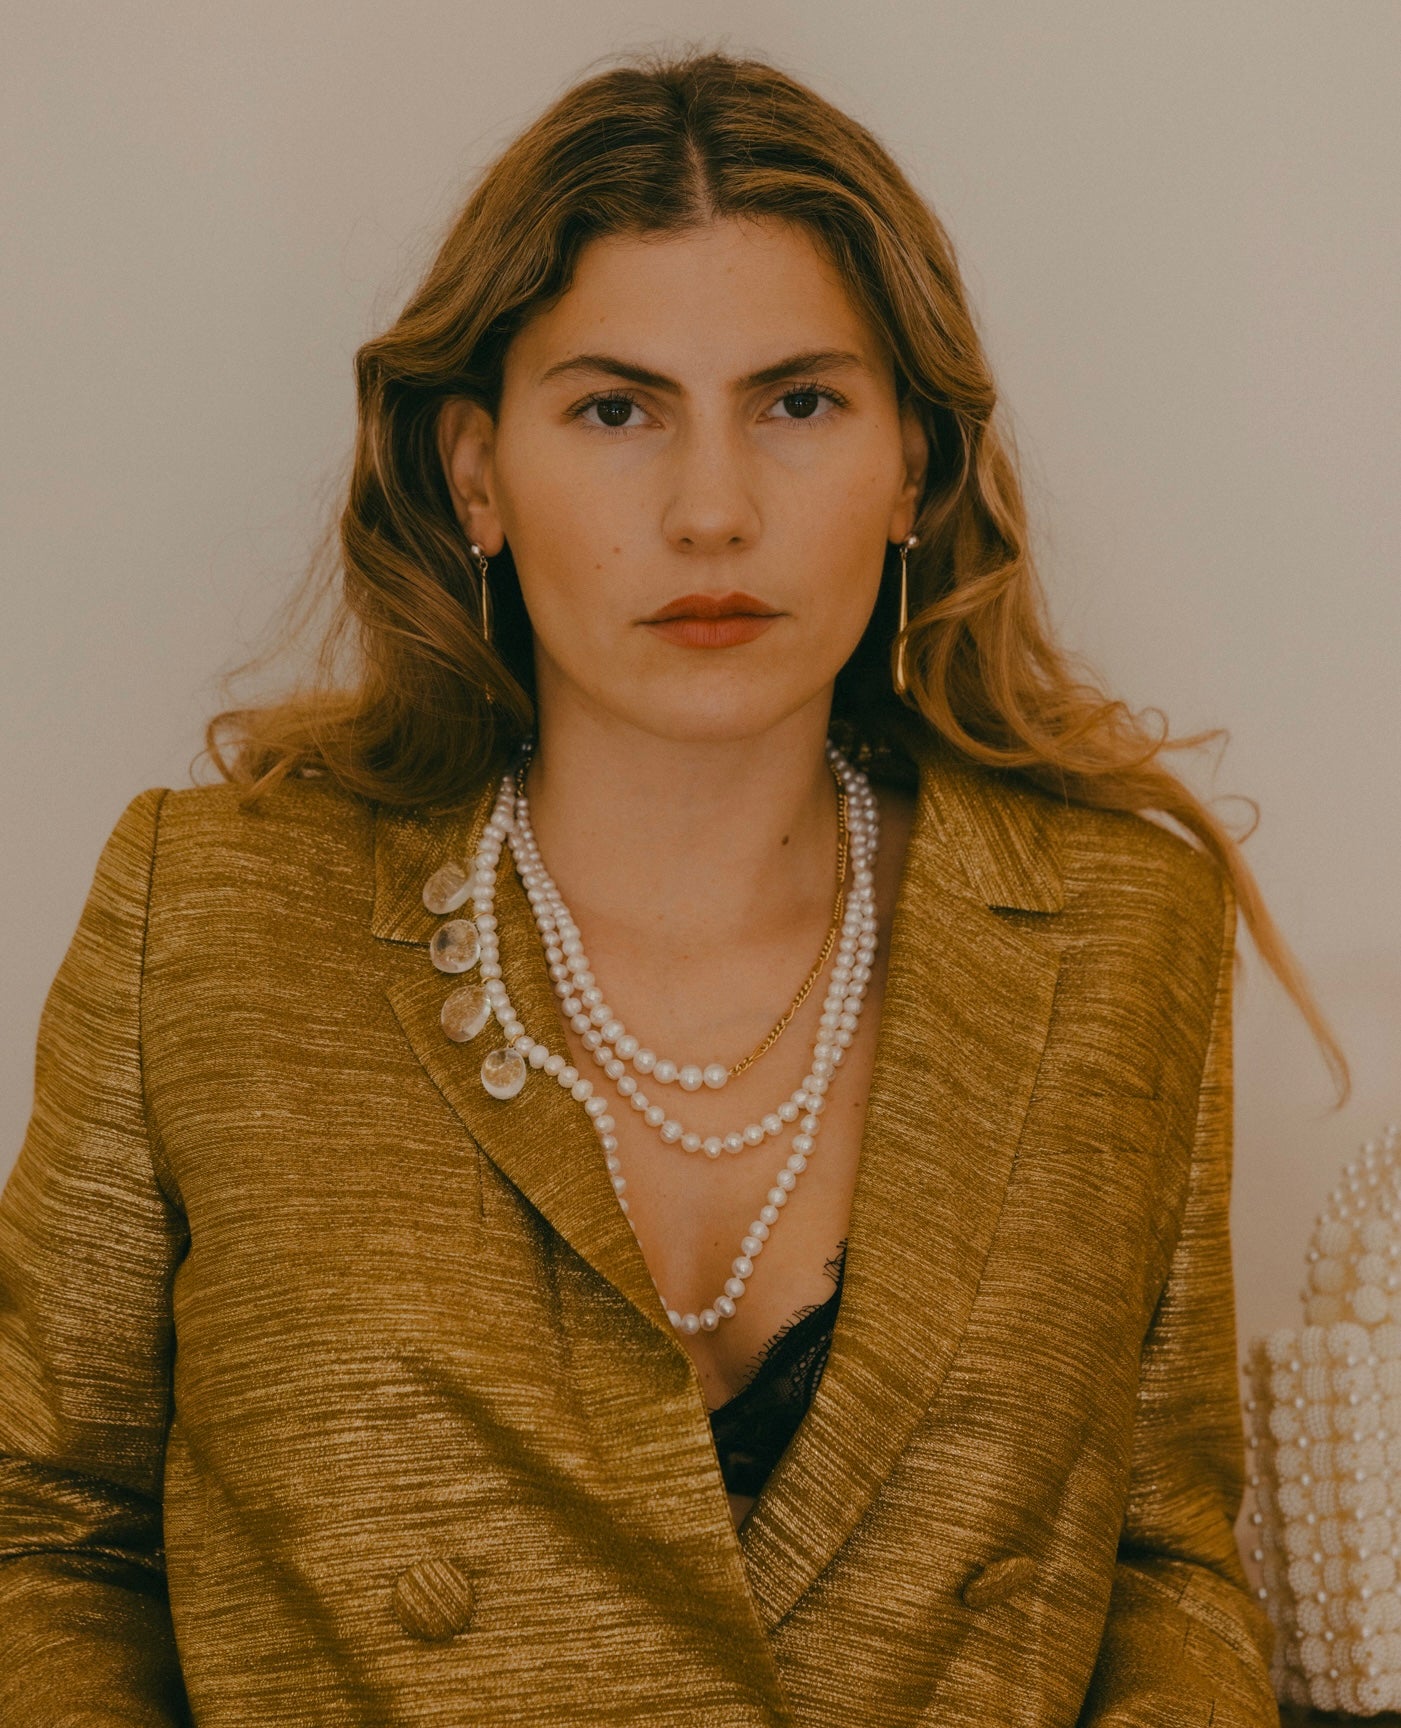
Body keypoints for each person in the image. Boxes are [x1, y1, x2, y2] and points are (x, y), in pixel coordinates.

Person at [0, 46, 1347, 1727]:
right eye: (615, 409)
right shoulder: (206, 914)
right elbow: (47, 1539)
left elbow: (1159, 1561)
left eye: (798, 403)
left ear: (912, 467)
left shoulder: (1118, 934)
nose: (712, 512)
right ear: (476, 473)